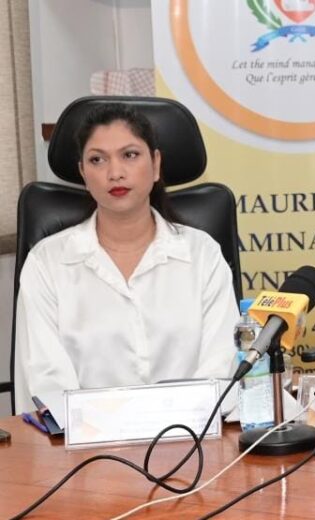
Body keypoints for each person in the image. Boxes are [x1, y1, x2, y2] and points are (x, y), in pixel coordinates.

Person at [13, 103, 239, 414]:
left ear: (155, 164)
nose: (115, 172)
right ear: (83, 173)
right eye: (97, 159)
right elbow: (46, 382)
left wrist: (176, 425)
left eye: (130, 155)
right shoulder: (46, 263)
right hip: (83, 441)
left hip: (193, 435)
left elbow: (221, 367)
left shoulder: (202, 254)